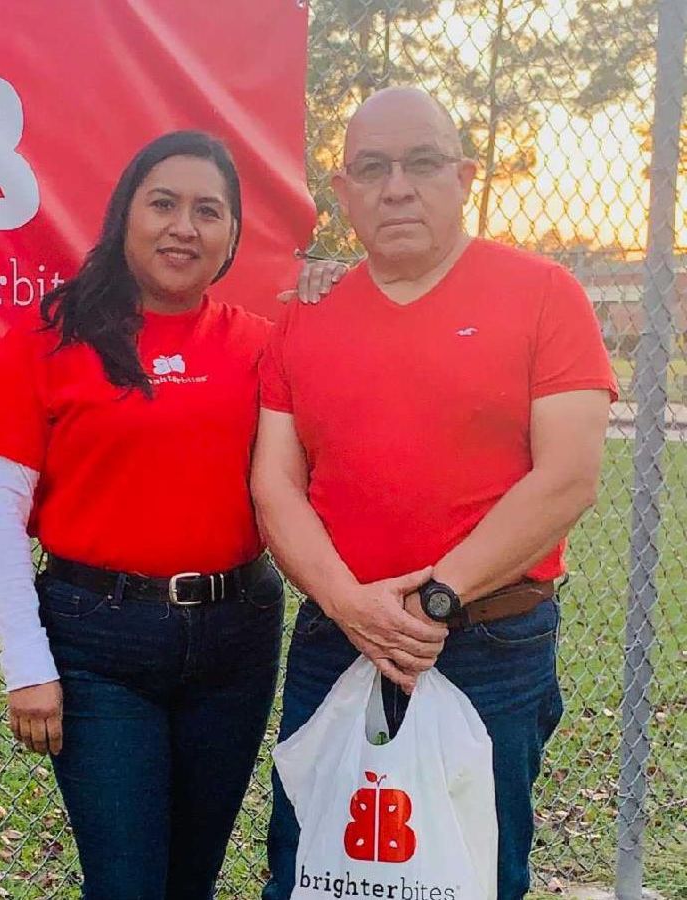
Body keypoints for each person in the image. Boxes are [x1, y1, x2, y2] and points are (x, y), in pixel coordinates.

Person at [253, 86, 617, 900]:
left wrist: (436, 600)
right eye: (371, 169)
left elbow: (568, 476)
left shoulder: (543, 294)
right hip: (337, 638)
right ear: (343, 191)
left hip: (489, 642)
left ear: (464, 177)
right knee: (313, 867)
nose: (397, 188)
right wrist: (349, 605)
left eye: (421, 163)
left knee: (474, 872)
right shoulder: (307, 316)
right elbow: (274, 485)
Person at [0, 130, 331, 899]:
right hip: (100, 642)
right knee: (127, 884)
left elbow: (341, 431)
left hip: (236, 636)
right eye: (163, 204)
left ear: (232, 235)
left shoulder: (263, 346)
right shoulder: (54, 336)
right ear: (125, 214)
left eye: (208, 211)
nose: (183, 227)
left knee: (190, 882)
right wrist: (27, 664)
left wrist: (339, 300)